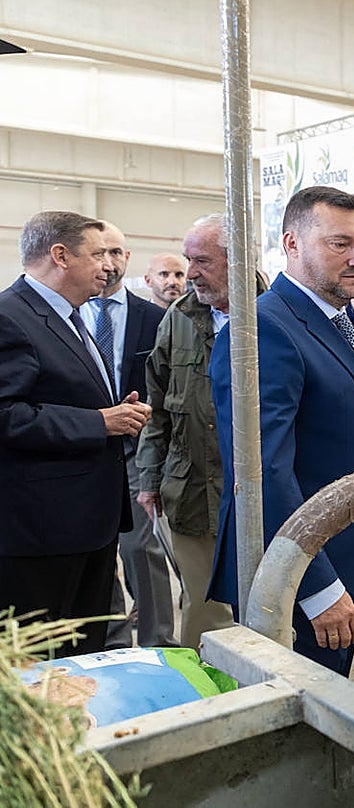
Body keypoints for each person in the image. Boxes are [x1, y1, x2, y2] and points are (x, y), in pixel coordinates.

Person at [209, 186, 354, 676]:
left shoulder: (336, 320)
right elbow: (262, 474)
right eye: (339, 244)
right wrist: (316, 587)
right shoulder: (265, 328)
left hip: (338, 560)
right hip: (295, 579)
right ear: (291, 243)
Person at [0, 212, 152, 655]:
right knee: (44, 661)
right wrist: (99, 422)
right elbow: (6, 414)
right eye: (98, 254)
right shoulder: (11, 317)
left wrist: (113, 412)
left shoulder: (68, 315)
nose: (110, 265)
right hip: (42, 534)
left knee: (84, 653)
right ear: (60, 256)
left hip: (88, 524)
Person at [137, 214, 249, 651]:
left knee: (267, 607)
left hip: (257, 491)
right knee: (203, 612)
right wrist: (149, 479)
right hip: (191, 491)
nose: (191, 273)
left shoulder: (274, 311)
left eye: (201, 261)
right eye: (187, 260)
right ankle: (210, 706)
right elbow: (158, 407)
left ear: (237, 258)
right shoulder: (178, 320)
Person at [81, 221, 175, 648]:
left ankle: (159, 644)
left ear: (128, 259)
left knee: (141, 549)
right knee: (96, 551)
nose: (108, 262)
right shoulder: (66, 315)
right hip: (83, 449)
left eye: (116, 252)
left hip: (138, 451)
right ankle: (113, 641)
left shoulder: (155, 319)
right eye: (100, 253)